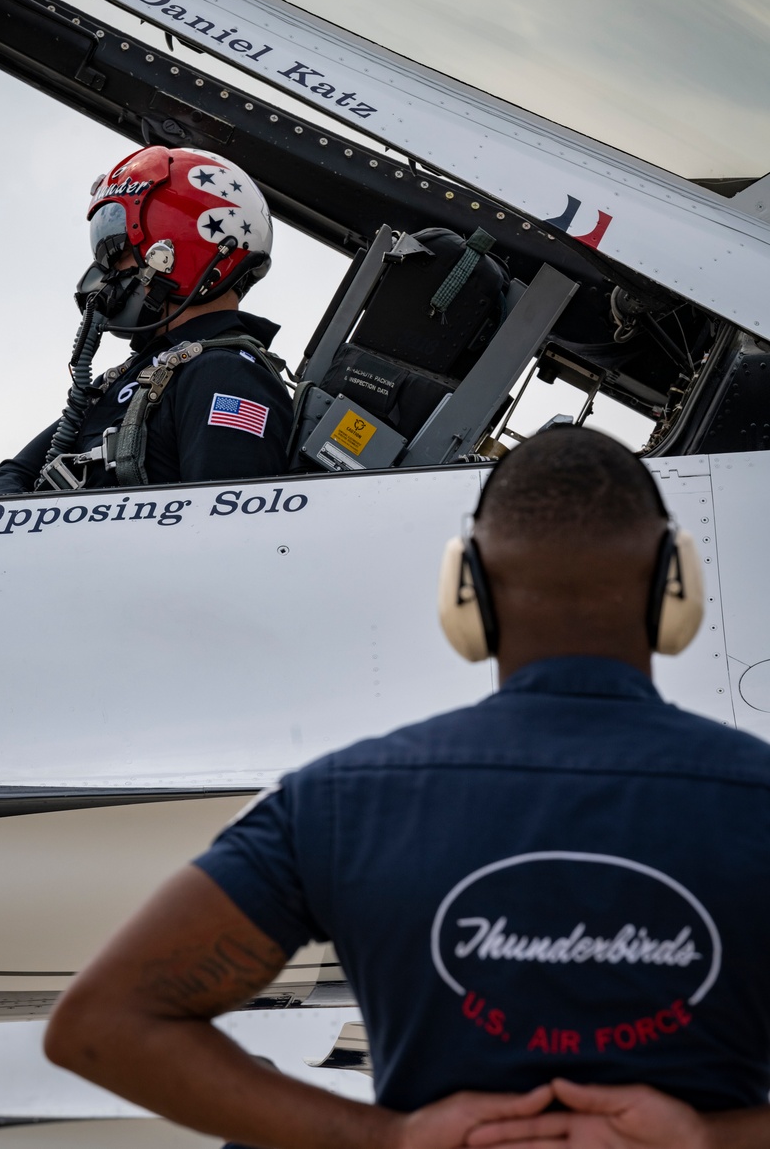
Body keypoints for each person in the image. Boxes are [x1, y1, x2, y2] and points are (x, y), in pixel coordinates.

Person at [43, 428, 770, 1148]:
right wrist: (711, 1138)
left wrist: (387, 1138)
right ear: (676, 586)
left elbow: (103, 1027)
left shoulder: (337, 803)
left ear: (468, 591)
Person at [0, 146, 292, 496]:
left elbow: (222, 530)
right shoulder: (125, 379)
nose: (106, 278)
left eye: (119, 257)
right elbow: (6, 481)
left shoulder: (225, 375)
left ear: (176, 253)